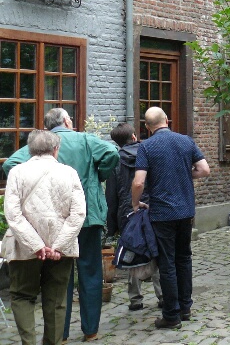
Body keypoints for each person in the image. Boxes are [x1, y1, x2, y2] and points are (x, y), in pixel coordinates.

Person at [3, 109, 119, 342]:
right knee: (90, 271)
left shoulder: (38, 145)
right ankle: (90, 329)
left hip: (47, 226)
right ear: (67, 121)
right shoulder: (85, 140)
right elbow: (112, 152)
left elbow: (11, 164)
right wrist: (98, 176)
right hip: (86, 217)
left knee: (58, 280)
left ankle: (62, 334)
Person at [4, 129, 86, 345]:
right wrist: (58, 246)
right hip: (61, 248)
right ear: (56, 149)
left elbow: (13, 215)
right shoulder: (69, 173)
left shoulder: (17, 173)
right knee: (56, 300)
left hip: (23, 248)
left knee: (22, 296)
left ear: (29, 150)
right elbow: (78, 214)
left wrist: (36, 245)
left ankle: (28, 343)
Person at [132, 107, 210, 329]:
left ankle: (171, 315)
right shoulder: (186, 141)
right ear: (167, 120)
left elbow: (138, 182)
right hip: (186, 210)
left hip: (162, 213)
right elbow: (204, 169)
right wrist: (185, 173)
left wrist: (135, 203)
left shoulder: (146, 146)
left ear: (147, 127)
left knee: (167, 263)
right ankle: (185, 308)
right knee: (184, 258)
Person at [107, 123, 163, 311]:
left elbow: (111, 195)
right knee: (156, 251)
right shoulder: (148, 153)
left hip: (127, 212)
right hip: (152, 208)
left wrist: (112, 225)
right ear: (133, 136)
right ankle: (162, 295)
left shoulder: (116, 160)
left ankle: (135, 299)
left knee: (132, 252)